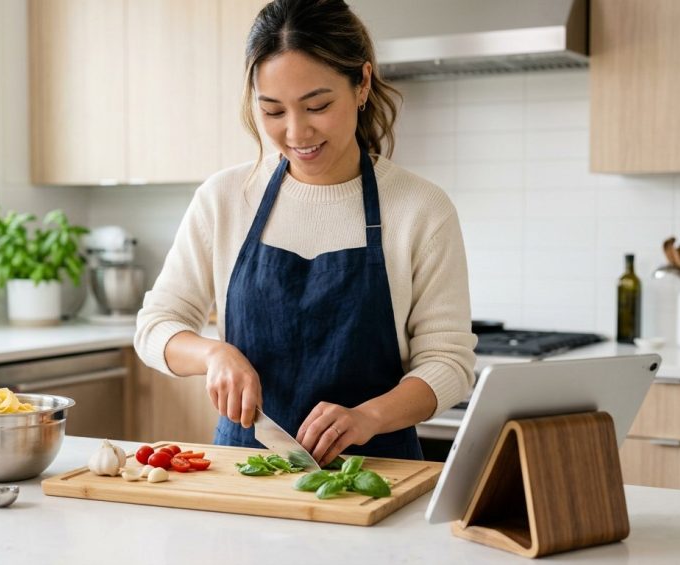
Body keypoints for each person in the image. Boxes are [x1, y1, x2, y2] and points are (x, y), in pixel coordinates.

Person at [135, 0, 476, 464]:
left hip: (378, 475)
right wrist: (213, 355)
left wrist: (368, 417)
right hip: (248, 474)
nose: (296, 133)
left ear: (362, 84)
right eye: (273, 111)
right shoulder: (225, 198)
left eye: (318, 105)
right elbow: (156, 326)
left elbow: (449, 364)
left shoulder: (420, 208)